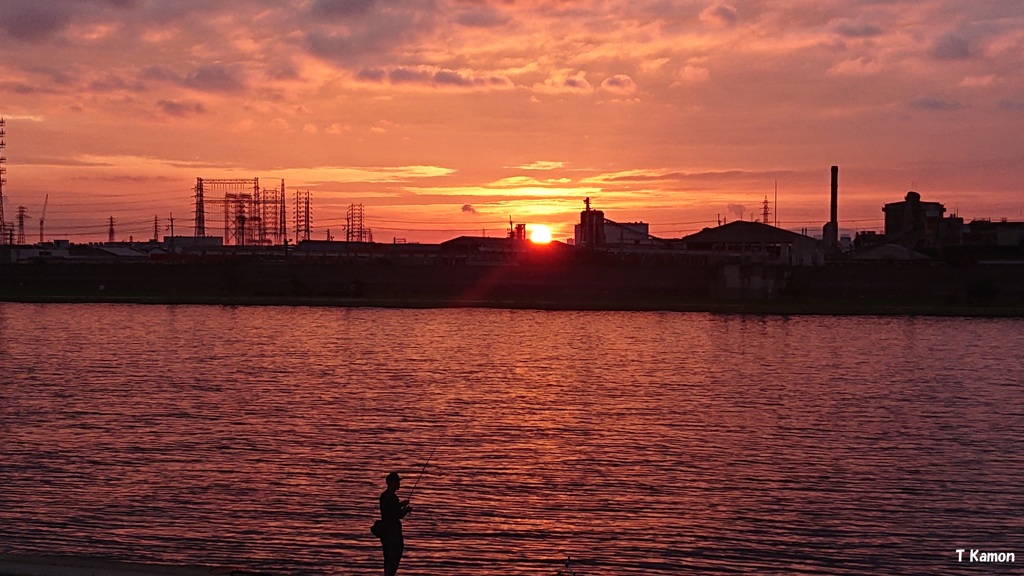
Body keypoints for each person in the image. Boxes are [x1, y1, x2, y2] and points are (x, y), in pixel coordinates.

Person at [378, 471, 412, 576]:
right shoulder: (391, 497)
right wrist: (406, 510)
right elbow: (397, 515)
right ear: (391, 483)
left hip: (386, 533)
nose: (399, 484)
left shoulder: (384, 496)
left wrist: (402, 504)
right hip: (393, 534)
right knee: (393, 559)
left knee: (388, 559)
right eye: (397, 481)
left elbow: (392, 509)